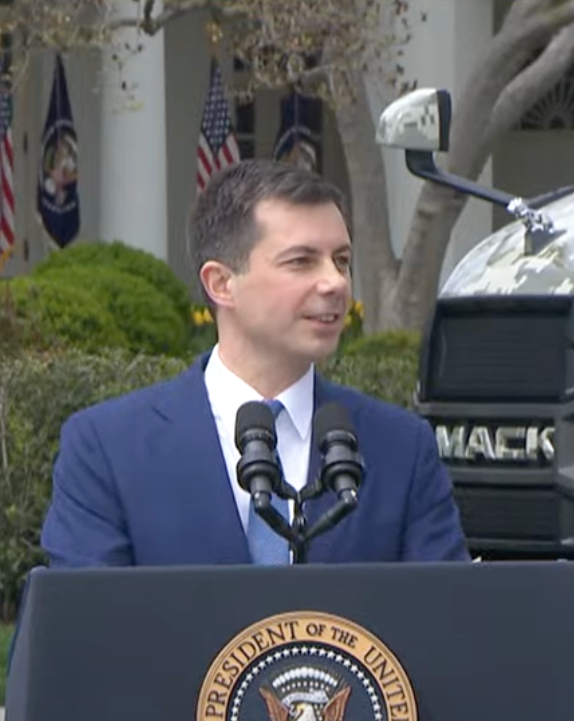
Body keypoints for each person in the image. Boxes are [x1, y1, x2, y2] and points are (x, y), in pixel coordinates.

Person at [40, 159, 468, 567]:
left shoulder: (401, 448)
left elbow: (442, 624)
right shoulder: (107, 449)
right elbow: (88, 631)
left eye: (341, 260)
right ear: (222, 284)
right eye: (301, 261)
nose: (336, 283)